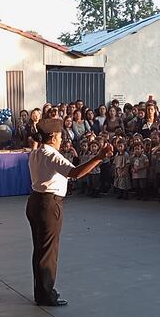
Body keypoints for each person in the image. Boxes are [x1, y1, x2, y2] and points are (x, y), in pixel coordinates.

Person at [26, 118, 112, 306]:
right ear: (54, 136)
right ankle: (46, 295)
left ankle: (40, 290)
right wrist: (99, 157)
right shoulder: (51, 155)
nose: (62, 139)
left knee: (40, 249)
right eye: (60, 136)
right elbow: (75, 173)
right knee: (49, 251)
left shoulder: (35, 153)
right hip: (49, 204)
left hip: (35, 201)